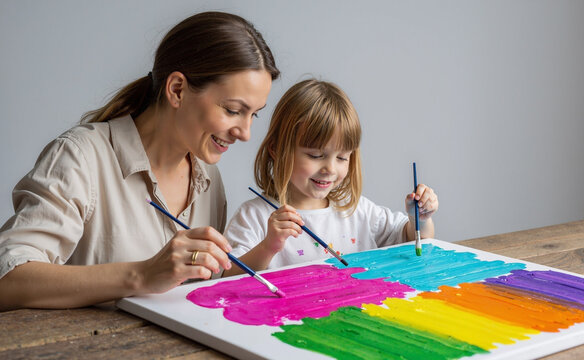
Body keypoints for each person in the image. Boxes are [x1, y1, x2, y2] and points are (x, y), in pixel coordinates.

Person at [0, 11, 279, 311]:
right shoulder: (80, 157)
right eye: (233, 109)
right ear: (177, 89)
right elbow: (8, 280)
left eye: (254, 114)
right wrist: (142, 275)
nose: (246, 133)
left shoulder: (209, 176)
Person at [222, 79, 438, 276]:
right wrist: (269, 246)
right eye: (316, 155)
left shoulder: (357, 210)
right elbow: (226, 277)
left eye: (342, 158)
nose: (330, 169)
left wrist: (420, 218)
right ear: (277, 150)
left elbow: (415, 242)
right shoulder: (255, 216)